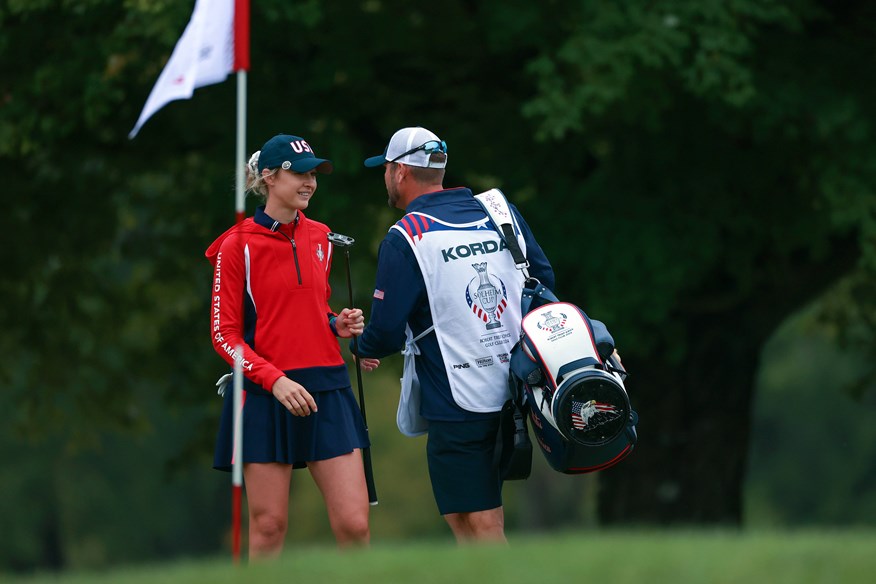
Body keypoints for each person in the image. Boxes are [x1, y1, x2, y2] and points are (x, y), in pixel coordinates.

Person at [354, 127, 555, 543]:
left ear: (399, 173)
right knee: (469, 520)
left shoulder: (406, 236)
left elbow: (387, 331)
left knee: (477, 522)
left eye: (387, 170)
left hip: (458, 400)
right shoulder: (500, 210)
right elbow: (543, 280)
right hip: (519, 387)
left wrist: (360, 346)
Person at [206, 134, 379, 558]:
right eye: (299, 173)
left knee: (355, 525)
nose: (309, 182)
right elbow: (223, 334)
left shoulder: (321, 237)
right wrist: (274, 380)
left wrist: (338, 324)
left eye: (313, 174)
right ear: (269, 176)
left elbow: (310, 307)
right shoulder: (236, 245)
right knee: (268, 528)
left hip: (327, 388)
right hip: (266, 394)